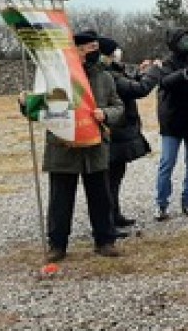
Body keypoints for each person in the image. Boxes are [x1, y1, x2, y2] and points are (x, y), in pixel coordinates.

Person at [21, 30, 125, 262]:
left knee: (101, 197)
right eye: (89, 48)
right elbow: (39, 109)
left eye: (96, 47)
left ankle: (105, 241)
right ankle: (57, 245)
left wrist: (106, 114)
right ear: (75, 51)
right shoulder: (56, 77)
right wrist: (25, 104)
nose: (94, 52)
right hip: (63, 146)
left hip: (95, 147)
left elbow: (119, 107)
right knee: (60, 200)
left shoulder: (105, 77)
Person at [100, 37, 159, 230]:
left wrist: (141, 73)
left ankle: (114, 215)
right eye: (115, 51)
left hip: (119, 132)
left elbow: (130, 84)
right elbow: (139, 89)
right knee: (110, 180)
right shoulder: (108, 75)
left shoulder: (113, 72)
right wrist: (154, 73)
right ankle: (108, 219)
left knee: (116, 176)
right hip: (115, 132)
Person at [154, 28, 188, 221]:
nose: (187, 43)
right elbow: (165, 81)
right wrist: (187, 73)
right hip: (173, 121)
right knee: (167, 163)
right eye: (182, 40)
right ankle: (161, 204)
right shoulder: (167, 64)